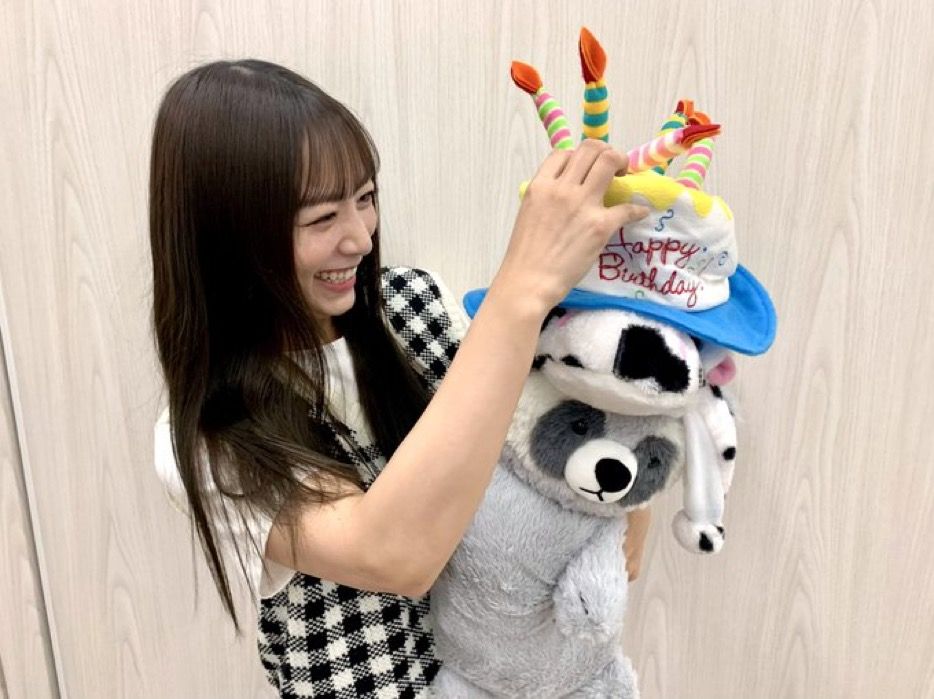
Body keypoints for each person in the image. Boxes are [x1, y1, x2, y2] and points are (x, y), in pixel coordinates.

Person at [150, 58, 650, 698]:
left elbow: (547, 435)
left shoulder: (412, 305)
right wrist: (523, 287)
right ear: (228, 238)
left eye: (365, 199)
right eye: (321, 218)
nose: (360, 239)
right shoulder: (208, 436)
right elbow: (395, 556)